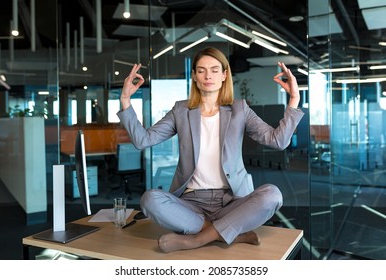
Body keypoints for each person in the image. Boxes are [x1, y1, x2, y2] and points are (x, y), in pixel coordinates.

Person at [117, 47, 304, 253]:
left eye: (215, 70)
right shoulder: (181, 110)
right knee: (150, 199)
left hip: (231, 201)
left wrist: (294, 99)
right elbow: (143, 140)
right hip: (190, 203)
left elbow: (277, 141)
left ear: (224, 75)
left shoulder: (239, 109)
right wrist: (125, 100)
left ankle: (196, 239)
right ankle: (232, 233)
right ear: (195, 77)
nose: (208, 76)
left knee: (272, 195)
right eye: (201, 70)